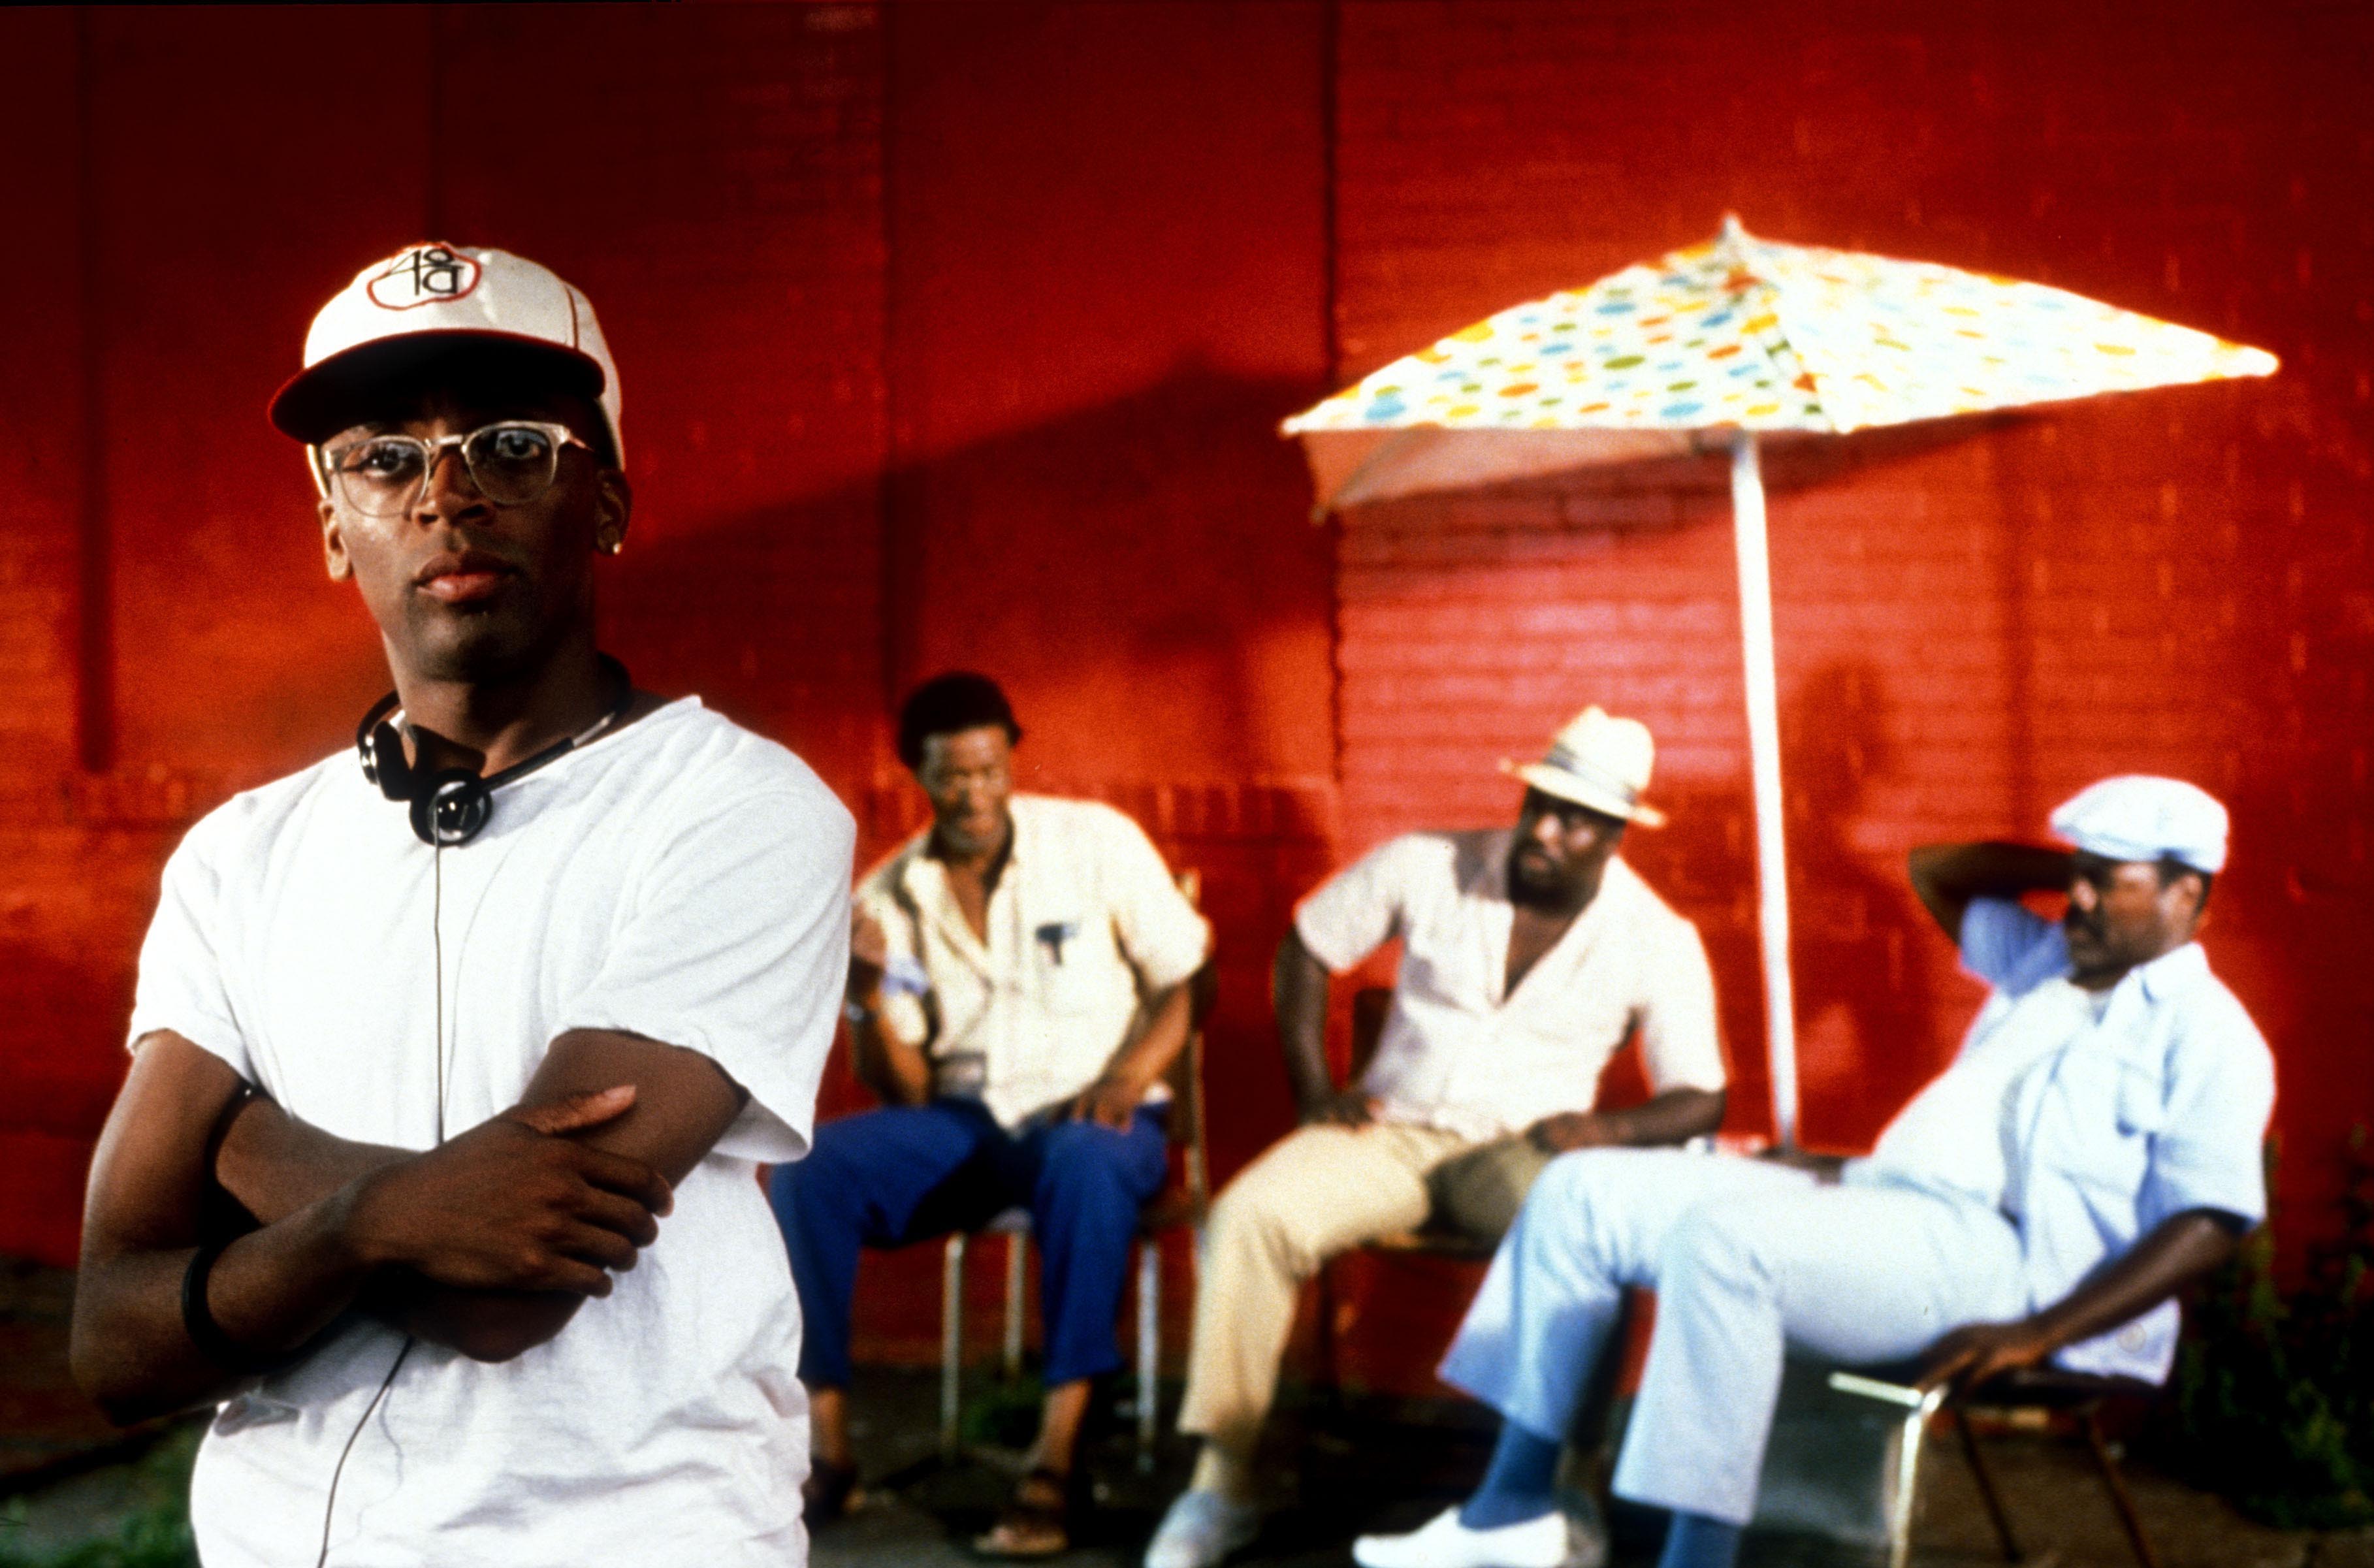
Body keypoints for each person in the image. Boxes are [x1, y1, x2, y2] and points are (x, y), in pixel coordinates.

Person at [69, 242, 854, 1567]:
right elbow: (114, 1338)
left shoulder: (739, 809)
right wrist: (387, 1219)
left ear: (602, 499)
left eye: (510, 446)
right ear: (332, 527)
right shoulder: (236, 857)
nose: (445, 495)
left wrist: (241, 1144)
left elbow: (512, 1288)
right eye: (383, 457)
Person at [1349, 775, 2273, 1568]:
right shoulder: (2045, 964)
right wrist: (2077, 866)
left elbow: (2211, 1221)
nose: (2075, 901)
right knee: (1580, 1189)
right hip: (1876, 1202)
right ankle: (1513, 1509)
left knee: (1725, 1247)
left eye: (2108, 883)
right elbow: (1938, 870)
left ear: (2189, 894)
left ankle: (1695, 1558)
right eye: (2074, 878)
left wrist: (2041, 1328)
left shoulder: (2211, 1037)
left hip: (2010, 1267)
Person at [1146, 707, 1729, 1568]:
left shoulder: (1655, 936)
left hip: (1523, 1151)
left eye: (1576, 821)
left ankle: (1572, 1487)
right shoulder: (1430, 862)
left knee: (1592, 1253)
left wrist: (1603, 1127)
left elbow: (1701, 1095)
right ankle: (1222, 1480)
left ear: (1614, 838)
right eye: (1540, 804)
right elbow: (1306, 942)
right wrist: (1314, 1088)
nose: (1547, 830)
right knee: (1249, 1216)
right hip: (1391, 1130)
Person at [770, 671, 1211, 1556]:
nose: (974, 793)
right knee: (806, 1169)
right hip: (972, 1123)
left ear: (1011, 755)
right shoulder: (892, 895)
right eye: (952, 776)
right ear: (918, 775)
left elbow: (1185, 979)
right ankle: (829, 1448)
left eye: (989, 769)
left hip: (1099, 1117)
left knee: (1083, 1159)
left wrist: (1128, 1075)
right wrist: (862, 992)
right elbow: (905, 1087)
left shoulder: (1094, 842)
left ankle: (1058, 1454)